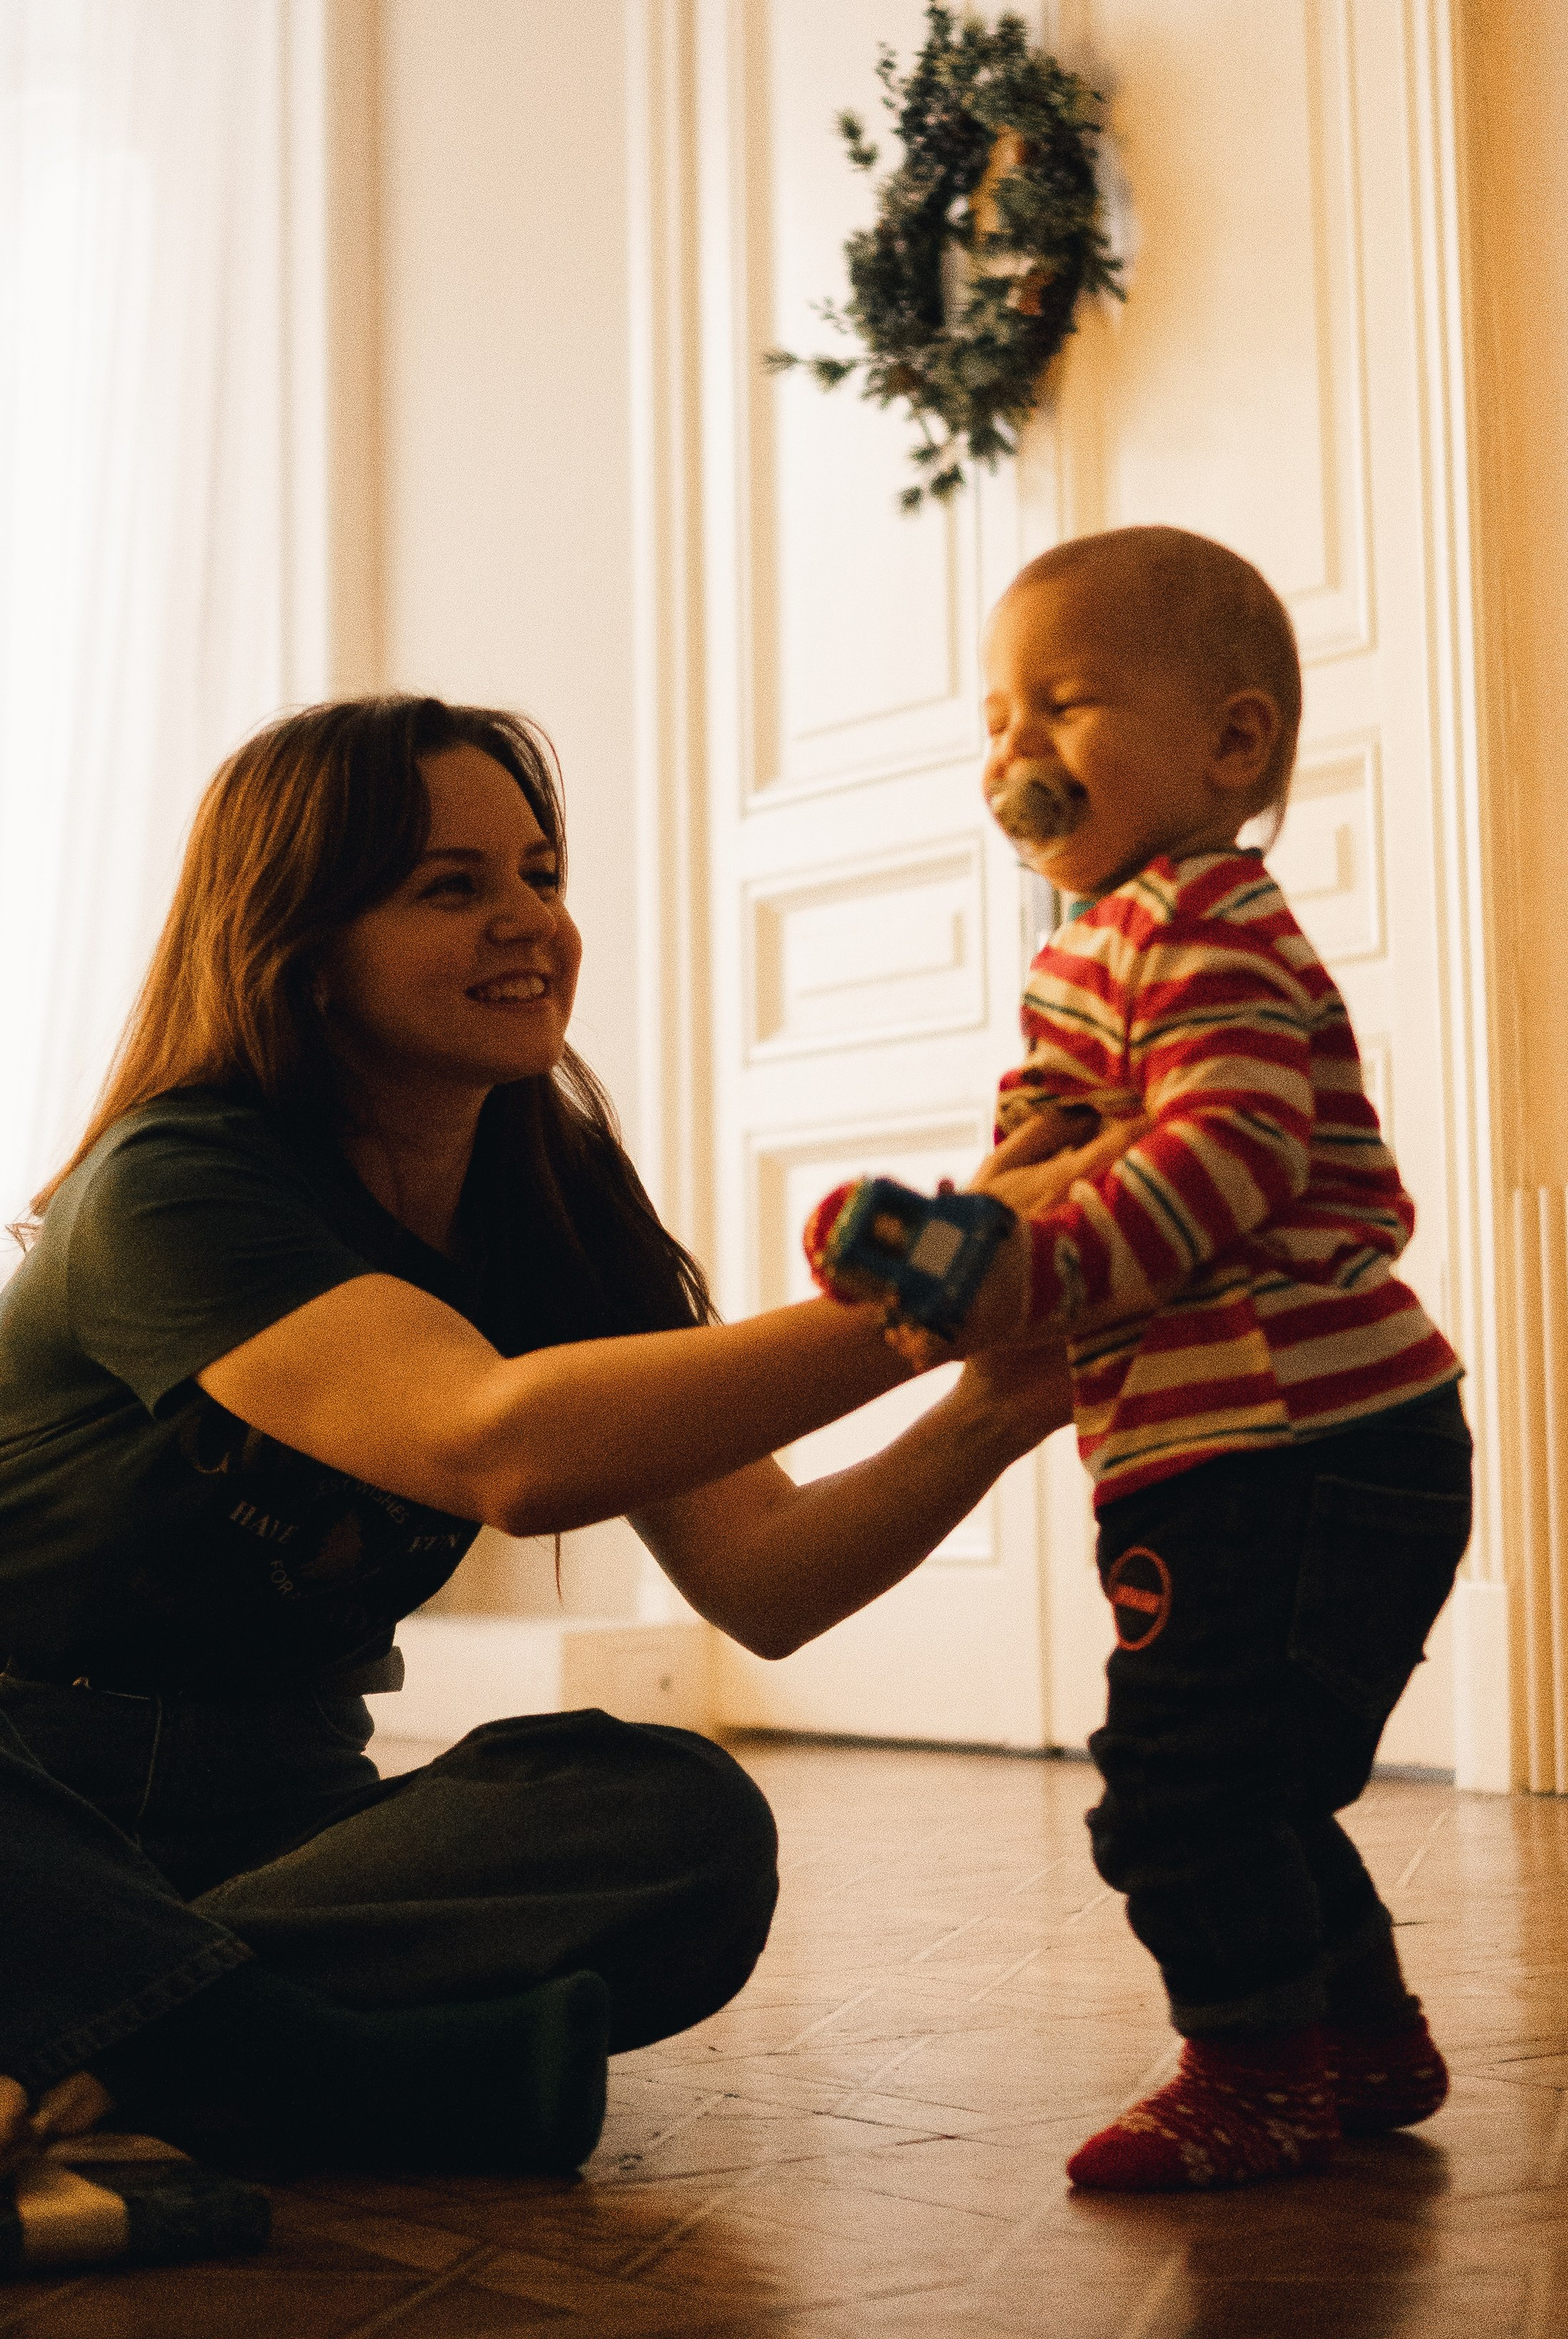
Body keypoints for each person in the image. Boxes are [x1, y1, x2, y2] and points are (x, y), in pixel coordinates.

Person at [0, 697, 1100, 2178]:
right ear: (302, 944)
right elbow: (493, 1448)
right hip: (32, 1793)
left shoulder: (554, 1197)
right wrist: (934, 1288)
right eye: (451, 887)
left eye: (540, 873)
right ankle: (307, 2073)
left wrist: (996, 1403)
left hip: (278, 1835)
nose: (530, 922)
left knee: (678, 1819)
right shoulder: (173, 1185)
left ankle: (117, 2040)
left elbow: (764, 1574)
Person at [805, 526, 1474, 2195]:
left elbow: (1225, 1153)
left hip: (1308, 1442)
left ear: (1229, 746)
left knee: (1182, 1788)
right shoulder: (1095, 944)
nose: (1013, 752)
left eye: (1067, 704)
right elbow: (1058, 1137)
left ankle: (1250, 2069)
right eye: (993, 719)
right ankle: (1359, 2035)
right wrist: (942, 1239)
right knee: (1248, 1770)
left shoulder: (1204, 921)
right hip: (1212, 1447)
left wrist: (1028, 1266)